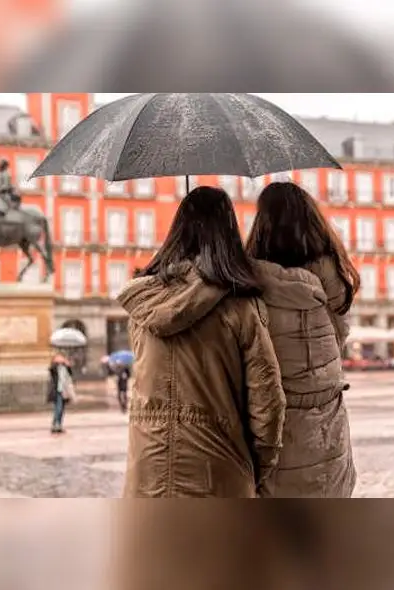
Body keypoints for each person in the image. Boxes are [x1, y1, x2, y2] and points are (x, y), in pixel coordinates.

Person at [116, 186, 286, 498]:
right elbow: (267, 399)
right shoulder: (241, 307)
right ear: (228, 234)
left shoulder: (142, 305)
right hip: (219, 469)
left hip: (147, 469)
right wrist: (258, 464)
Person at [245, 181, 360, 498]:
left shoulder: (249, 281)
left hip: (274, 421)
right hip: (327, 417)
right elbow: (338, 338)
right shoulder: (332, 275)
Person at [47, 353, 74, 434]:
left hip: (64, 390)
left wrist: (68, 365)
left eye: (61, 357)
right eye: (58, 358)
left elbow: (70, 374)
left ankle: (59, 424)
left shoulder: (65, 367)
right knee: (58, 408)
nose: (61, 359)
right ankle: (55, 424)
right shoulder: (54, 368)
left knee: (61, 409)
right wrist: (56, 362)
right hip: (57, 390)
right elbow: (51, 369)